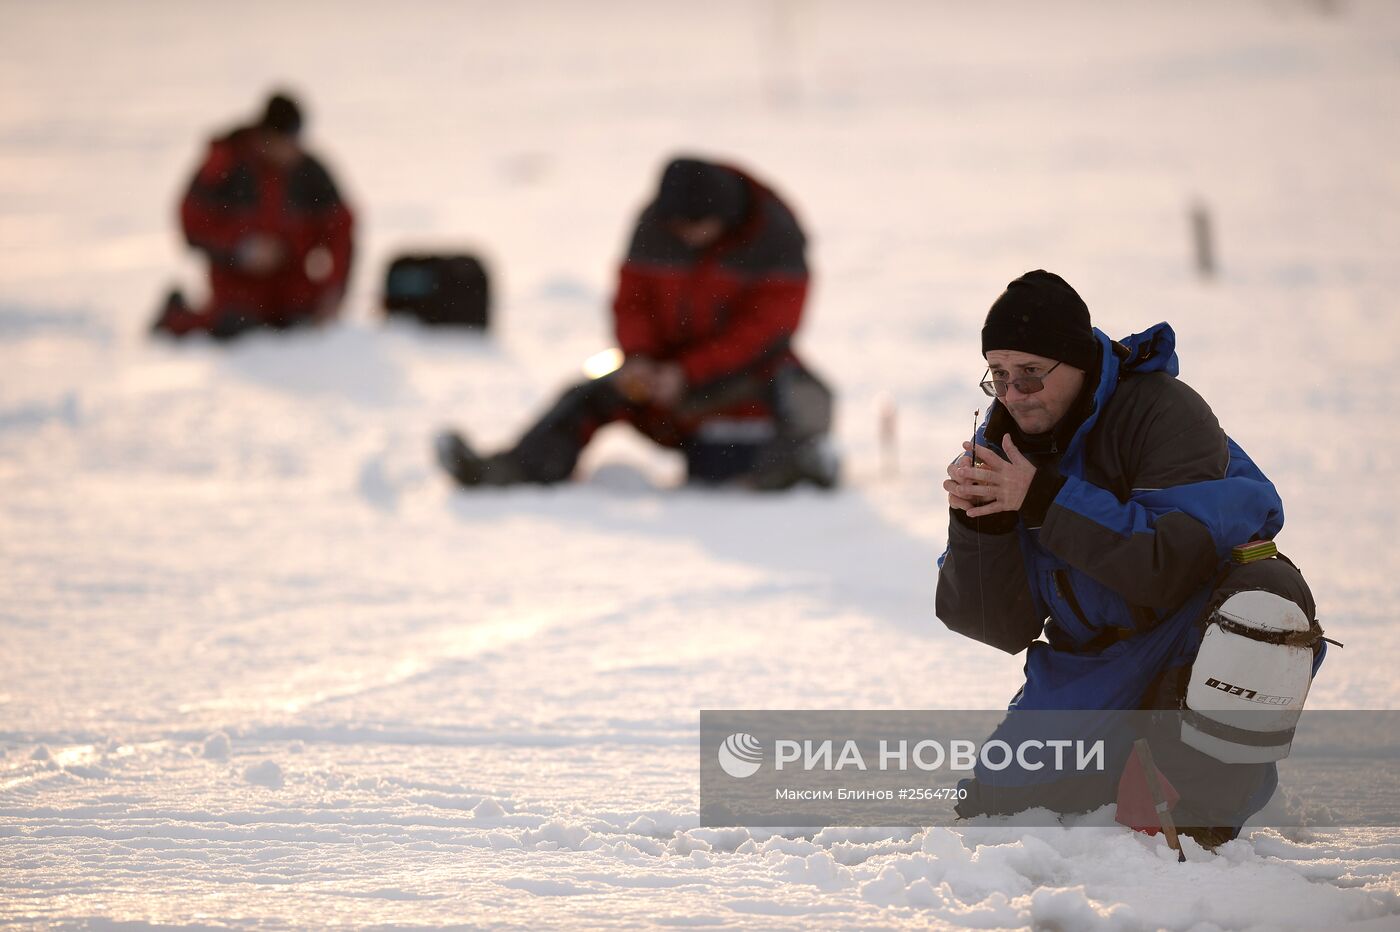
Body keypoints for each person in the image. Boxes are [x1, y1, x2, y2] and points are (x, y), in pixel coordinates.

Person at [935, 270, 1326, 845]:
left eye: (1030, 374)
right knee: (995, 814)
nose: (1013, 393)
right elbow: (998, 627)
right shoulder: (1004, 447)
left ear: (1077, 363)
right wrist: (981, 531)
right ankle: (1130, 761)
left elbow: (1171, 568)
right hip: (1093, 660)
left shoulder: (1164, 414)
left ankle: (1199, 803)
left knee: (1265, 599)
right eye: (998, 375)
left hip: (1190, 627)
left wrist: (1043, 498)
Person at [435, 156, 838, 491]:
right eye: (676, 228)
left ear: (724, 218)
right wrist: (639, 357)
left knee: (794, 404)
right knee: (586, 395)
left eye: (694, 228)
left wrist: (688, 372)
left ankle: (797, 469)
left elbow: (764, 331)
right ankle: (511, 471)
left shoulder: (776, 237)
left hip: (740, 377)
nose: (683, 236)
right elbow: (631, 302)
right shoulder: (655, 225)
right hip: (658, 374)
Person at [152, 91, 355, 340]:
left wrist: (334, 289)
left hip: (291, 285)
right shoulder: (225, 165)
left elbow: (341, 230)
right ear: (265, 136)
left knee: (301, 322)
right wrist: (240, 249)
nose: (291, 151)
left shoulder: (310, 172)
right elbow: (192, 224)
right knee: (235, 327)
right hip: (237, 287)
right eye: (285, 142)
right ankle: (175, 316)